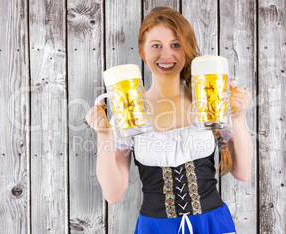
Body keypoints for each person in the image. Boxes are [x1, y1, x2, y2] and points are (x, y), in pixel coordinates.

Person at [85, 6, 253, 234]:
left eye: (175, 45)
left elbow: (242, 172)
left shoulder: (209, 101)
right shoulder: (130, 113)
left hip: (213, 225)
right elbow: (113, 195)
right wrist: (104, 135)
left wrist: (239, 116)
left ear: (186, 50)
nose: (166, 55)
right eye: (156, 46)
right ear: (143, 52)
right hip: (155, 227)